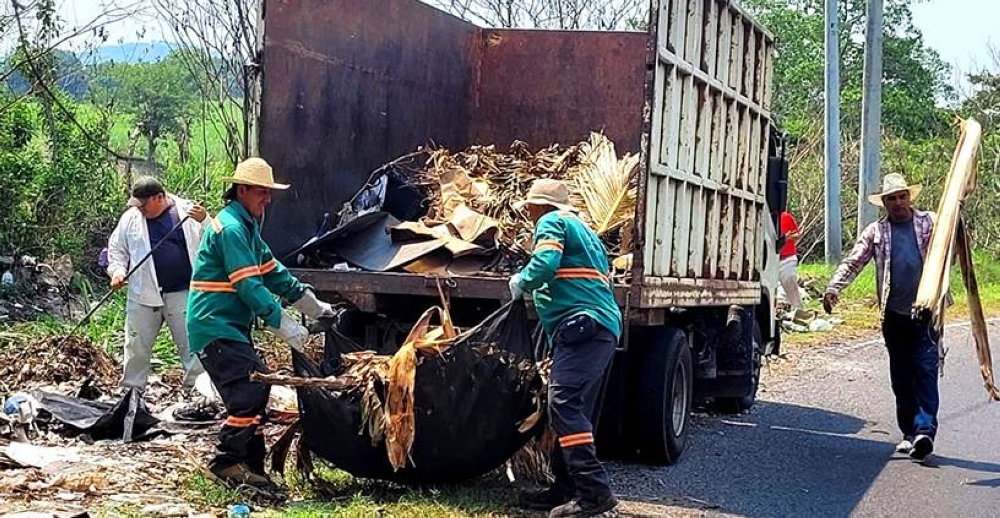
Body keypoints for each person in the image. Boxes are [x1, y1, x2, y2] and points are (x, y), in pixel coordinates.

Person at [186, 157, 335, 490]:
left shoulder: (247, 228)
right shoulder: (232, 229)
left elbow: (275, 274)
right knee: (249, 390)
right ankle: (227, 463)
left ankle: (250, 466)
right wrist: (286, 326)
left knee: (254, 388)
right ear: (242, 190)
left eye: (269, 193)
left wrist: (315, 306)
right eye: (262, 192)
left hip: (228, 325)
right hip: (214, 324)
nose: (267, 199)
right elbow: (249, 286)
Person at [508, 179, 622, 518]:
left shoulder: (552, 221)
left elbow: (544, 264)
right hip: (596, 327)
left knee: (564, 403)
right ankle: (565, 488)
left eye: (531, 206)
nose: (528, 212)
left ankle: (594, 493)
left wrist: (522, 282)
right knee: (570, 406)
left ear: (541, 205)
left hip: (584, 326)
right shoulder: (587, 233)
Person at [823, 173, 939, 461]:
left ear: (909, 198)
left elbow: (952, 244)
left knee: (925, 370)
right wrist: (834, 288)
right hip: (894, 315)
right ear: (884, 203)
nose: (898, 203)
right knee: (901, 375)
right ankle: (909, 432)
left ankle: (925, 430)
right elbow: (855, 261)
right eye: (892, 199)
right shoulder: (876, 231)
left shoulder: (930, 222)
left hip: (926, 312)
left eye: (902, 197)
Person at [106, 176, 209, 394]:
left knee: (192, 344)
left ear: (159, 197)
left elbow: (215, 238)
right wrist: (117, 271)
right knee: (136, 346)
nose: (141, 210)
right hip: (143, 294)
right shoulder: (130, 219)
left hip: (183, 292)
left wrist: (205, 220)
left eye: (144, 205)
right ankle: (131, 391)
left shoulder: (188, 212)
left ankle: (197, 390)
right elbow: (117, 249)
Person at [779, 210, 803, 311]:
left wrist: (787, 238)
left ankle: (799, 311)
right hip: (770, 260)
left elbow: (797, 235)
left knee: (791, 284)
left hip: (787, 258)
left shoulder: (786, 216)